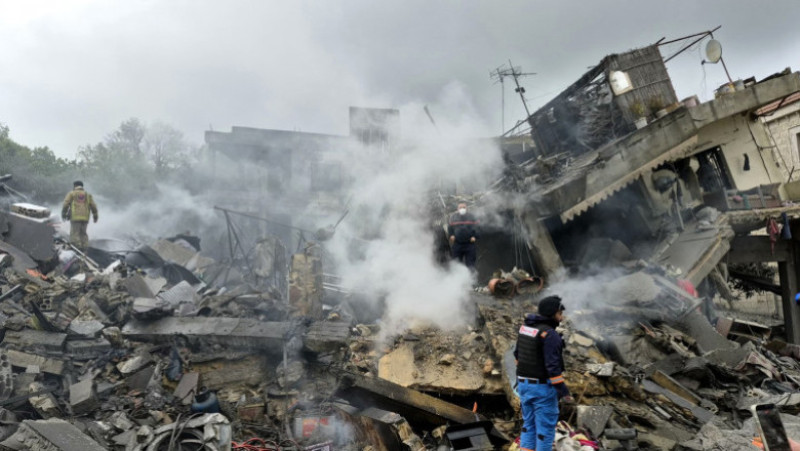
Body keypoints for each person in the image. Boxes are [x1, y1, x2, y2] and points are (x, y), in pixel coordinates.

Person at [514, 295, 573, 451]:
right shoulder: (550, 335)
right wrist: (564, 393)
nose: (561, 318)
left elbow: (517, 357)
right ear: (553, 313)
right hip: (542, 389)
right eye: (560, 314)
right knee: (544, 432)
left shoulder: (526, 328)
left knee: (528, 426)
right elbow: (553, 369)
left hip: (523, 386)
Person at [61, 181, 98, 251]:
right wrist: (95, 216)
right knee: (83, 234)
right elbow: (93, 206)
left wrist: (63, 214)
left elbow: (65, 204)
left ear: (75, 186)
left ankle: (77, 250)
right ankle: (85, 249)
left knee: (75, 234)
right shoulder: (88, 195)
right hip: (85, 218)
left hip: (75, 217)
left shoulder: (72, 193)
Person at [447, 202, 479, 269]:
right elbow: (449, 228)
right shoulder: (453, 217)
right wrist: (451, 235)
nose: (462, 209)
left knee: (471, 265)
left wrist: (475, 236)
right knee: (456, 264)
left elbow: (477, 228)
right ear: (457, 209)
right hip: (457, 244)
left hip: (470, 244)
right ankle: (457, 278)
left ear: (467, 208)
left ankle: (471, 279)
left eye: (464, 207)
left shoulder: (472, 216)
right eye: (460, 207)